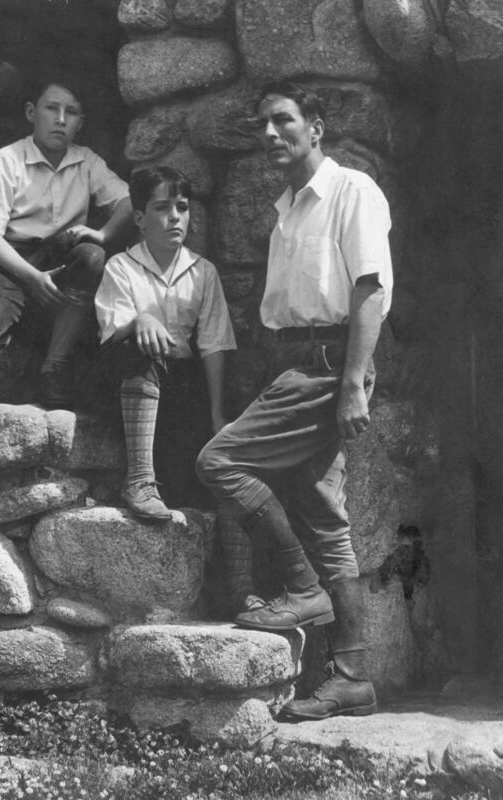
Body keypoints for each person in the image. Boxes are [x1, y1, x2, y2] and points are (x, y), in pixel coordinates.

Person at [196, 81, 393, 720]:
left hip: (325, 366)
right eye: (262, 125)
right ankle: (353, 678)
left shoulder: (350, 190)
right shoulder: (287, 207)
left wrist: (353, 384)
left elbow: (370, 290)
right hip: (291, 364)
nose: (270, 134)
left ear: (317, 127)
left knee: (220, 462)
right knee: (323, 516)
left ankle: (304, 590)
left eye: (283, 121)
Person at [0, 74, 132, 471]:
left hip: (57, 261)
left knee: (92, 256)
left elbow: (128, 199)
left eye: (71, 113)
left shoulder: (86, 161)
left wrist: (103, 232)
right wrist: (30, 277)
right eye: (52, 109)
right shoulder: (8, 160)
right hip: (6, 260)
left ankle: (52, 369)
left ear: (80, 122)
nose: (60, 120)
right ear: (31, 113)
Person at [95, 165, 236, 521]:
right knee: (142, 347)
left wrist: (218, 414)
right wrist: (141, 319)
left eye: (182, 208)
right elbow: (111, 333)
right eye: (162, 208)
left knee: (208, 486)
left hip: (181, 386)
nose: (175, 218)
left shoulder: (203, 271)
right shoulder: (121, 266)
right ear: (140, 218)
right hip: (128, 380)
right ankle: (139, 480)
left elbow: (213, 344)